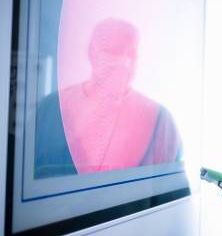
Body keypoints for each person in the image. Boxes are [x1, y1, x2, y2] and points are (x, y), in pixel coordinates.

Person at [35, 18, 181, 178]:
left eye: (132, 54)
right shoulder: (49, 110)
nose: (125, 63)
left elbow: (172, 194)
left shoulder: (161, 122)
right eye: (114, 51)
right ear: (92, 52)